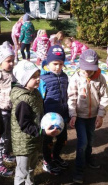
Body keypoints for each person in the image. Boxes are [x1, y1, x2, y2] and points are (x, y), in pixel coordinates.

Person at [11, 60, 59, 185]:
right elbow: (25, 124)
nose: (38, 79)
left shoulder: (35, 92)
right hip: (24, 143)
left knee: (32, 166)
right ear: (24, 79)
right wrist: (42, 131)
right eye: (33, 77)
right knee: (22, 171)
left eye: (38, 76)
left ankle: (30, 183)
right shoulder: (23, 100)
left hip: (34, 139)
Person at [68, 49, 108, 184]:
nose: (88, 72)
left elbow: (104, 97)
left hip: (93, 116)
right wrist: (73, 114)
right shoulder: (75, 78)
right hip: (80, 116)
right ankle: (79, 170)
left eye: (91, 69)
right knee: (83, 142)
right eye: (85, 69)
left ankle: (88, 158)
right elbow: (72, 97)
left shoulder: (100, 78)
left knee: (91, 140)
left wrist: (101, 115)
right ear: (80, 66)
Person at [38, 45, 69, 175]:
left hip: (62, 115)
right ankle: (47, 161)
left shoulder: (65, 77)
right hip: (48, 118)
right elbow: (39, 99)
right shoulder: (43, 79)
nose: (58, 67)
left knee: (62, 139)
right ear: (48, 62)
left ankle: (56, 156)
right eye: (55, 63)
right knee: (48, 141)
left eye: (61, 64)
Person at [0, 41, 16, 177]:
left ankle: (6, 154)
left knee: (8, 135)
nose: (11, 63)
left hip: (12, 110)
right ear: (1, 62)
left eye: (13, 60)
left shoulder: (14, 73)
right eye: (8, 61)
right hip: (1, 111)